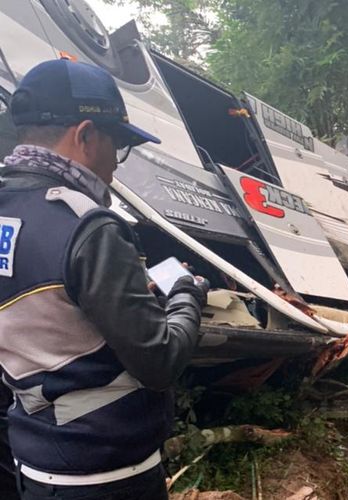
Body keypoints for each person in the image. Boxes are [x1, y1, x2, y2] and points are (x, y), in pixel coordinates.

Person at [0, 59, 209, 499]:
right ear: (86, 135)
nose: (116, 165)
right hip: (110, 476)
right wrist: (187, 294)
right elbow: (159, 361)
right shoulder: (88, 226)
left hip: (36, 469)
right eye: (117, 146)